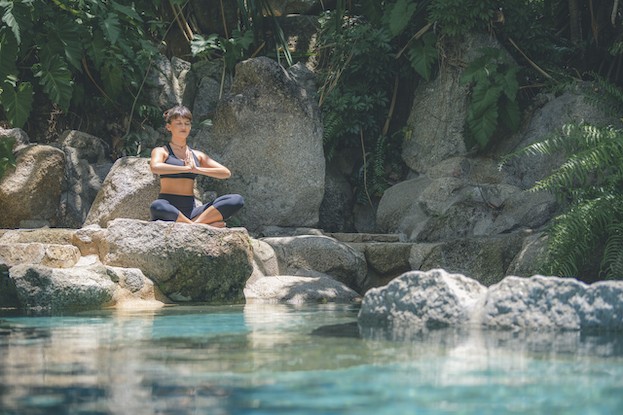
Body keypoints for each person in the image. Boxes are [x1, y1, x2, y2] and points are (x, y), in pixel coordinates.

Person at [149, 105, 244, 227]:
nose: (183, 127)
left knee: (236, 200)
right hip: (169, 207)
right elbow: (155, 167)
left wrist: (197, 169)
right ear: (169, 127)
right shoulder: (162, 151)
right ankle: (201, 225)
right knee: (157, 206)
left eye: (187, 123)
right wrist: (185, 168)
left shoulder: (197, 155)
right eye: (178, 123)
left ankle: (194, 225)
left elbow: (225, 173)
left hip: (192, 211)